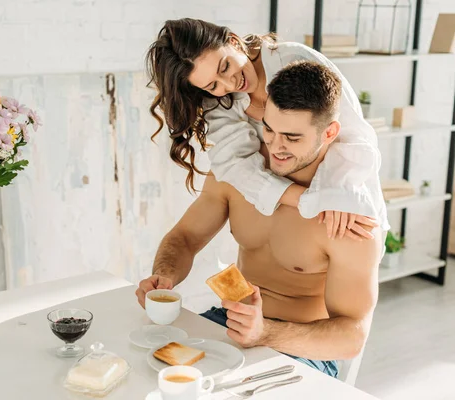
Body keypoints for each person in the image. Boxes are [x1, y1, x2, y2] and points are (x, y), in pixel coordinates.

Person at [136, 61, 384, 377]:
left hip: (301, 350)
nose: (275, 148)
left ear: (329, 132)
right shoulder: (241, 173)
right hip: (227, 321)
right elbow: (185, 237)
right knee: (144, 374)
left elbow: (352, 336)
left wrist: (264, 332)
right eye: (269, 129)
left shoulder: (348, 219)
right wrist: (165, 276)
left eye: (292, 137)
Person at [145, 18, 389, 239]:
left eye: (225, 66)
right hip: (293, 210)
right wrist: (308, 201)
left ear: (233, 42)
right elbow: (235, 164)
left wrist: (336, 195)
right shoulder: (216, 101)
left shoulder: (296, 60)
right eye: (212, 85)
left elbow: (354, 137)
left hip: (342, 202)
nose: (230, 83)